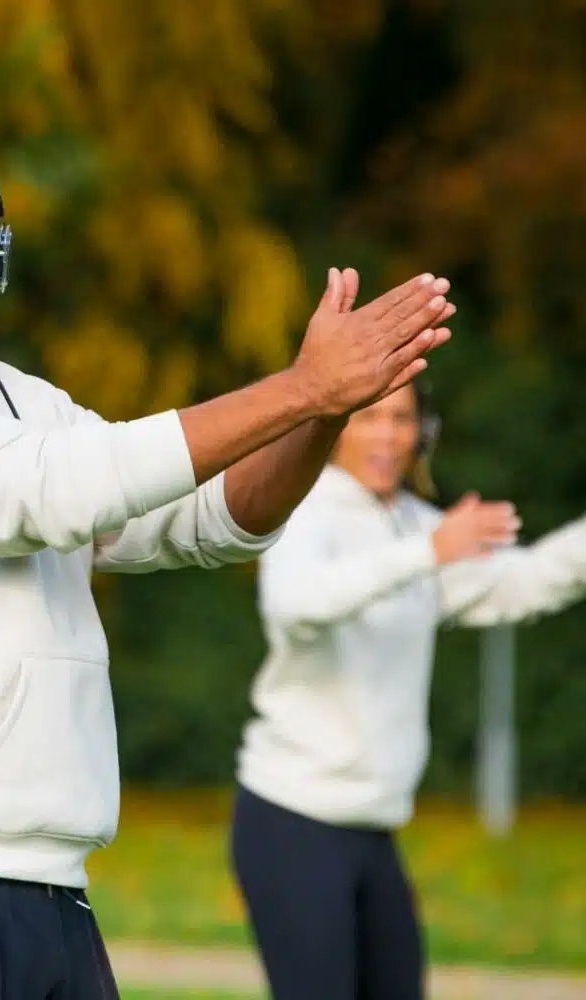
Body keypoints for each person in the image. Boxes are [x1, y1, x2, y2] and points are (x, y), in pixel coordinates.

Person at [0, 122, 454, 1000]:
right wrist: (299, 387)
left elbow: (208, 518)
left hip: (44, 884)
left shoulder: (22, 404)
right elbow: (43, 492)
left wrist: (324, 412)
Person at [230, 380, 586, 1000]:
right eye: (370, 417)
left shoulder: (414, 524)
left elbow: (521, 582)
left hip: (374, 827)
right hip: (292, 821)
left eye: (402, 419)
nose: (388, 435)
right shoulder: (306, 508)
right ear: (336, 427)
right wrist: (427, 552)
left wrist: (431, 548)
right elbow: (294, 604)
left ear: (422, 432)